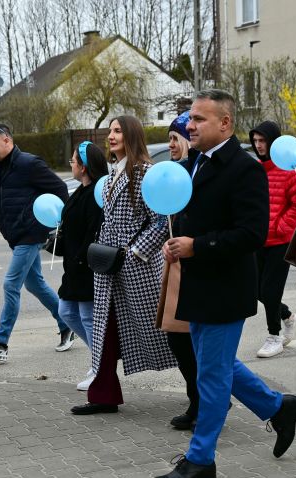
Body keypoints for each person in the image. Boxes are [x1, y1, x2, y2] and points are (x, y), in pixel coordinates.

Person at [151, 90, 296, 478]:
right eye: (190, 118)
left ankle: (201, 460)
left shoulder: (245, 169)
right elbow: (192, 216)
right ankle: (279, 407)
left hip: (225, 289)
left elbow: (252, 234)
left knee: (212, 377)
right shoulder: (195, 163)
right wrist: (176, 243)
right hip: (198, 284)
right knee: (215, 365)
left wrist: (197, 246)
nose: (190, 126)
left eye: (199, 119)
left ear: (225, 123)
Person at [70, 115, 176, 415]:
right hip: (110, 266)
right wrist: (101, 252)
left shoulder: (145, 173)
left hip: (138, 269)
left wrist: (135, 253)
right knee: (105, 330)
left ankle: (208, 387)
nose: (111, 136)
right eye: (110, 131)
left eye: (118, 131)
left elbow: (160, 222)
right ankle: (103, 395)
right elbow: (109, 219)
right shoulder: (114, 172)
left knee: (171, 334)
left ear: (131, 135)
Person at [0, 123, 72, 362]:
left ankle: (0, 342)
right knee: (35, 284)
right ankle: (67, 324)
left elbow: (60, 189)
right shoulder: (0, 167)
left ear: (7, 140)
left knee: (11, 285)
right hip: (16, 236)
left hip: (30, 235)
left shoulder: (29, 164)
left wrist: (47, 224)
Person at [248, 120, 296, 358]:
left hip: (280, 243)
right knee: (255, 290)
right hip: (256, 240)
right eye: (255, 141)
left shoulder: (288, 170)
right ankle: (289, 317)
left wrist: (280, 227)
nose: (258, 145)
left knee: (270, 291)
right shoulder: (254, 169)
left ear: (273, 142)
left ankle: (274, 336)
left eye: (263, 140)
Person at [55, 141, 106, 391]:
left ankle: (100, 368)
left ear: (83, 167)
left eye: (73, 161)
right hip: (73, 266)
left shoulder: (96, 194)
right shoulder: (80, 190)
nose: (71, 165)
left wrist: (80, 259)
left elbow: (93, 232)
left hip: (86, 266)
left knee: (87, 317)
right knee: (66, 312)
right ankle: (101, 358)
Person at [164, 111, 200, 431]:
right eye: (169, 139)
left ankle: (201, 401)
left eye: (175, 138)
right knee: (177, 337)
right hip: (176, 263)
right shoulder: (175, 172)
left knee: (191, 341)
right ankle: (198, 398)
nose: (171, 145)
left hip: (196, 265)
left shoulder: (196, 171)